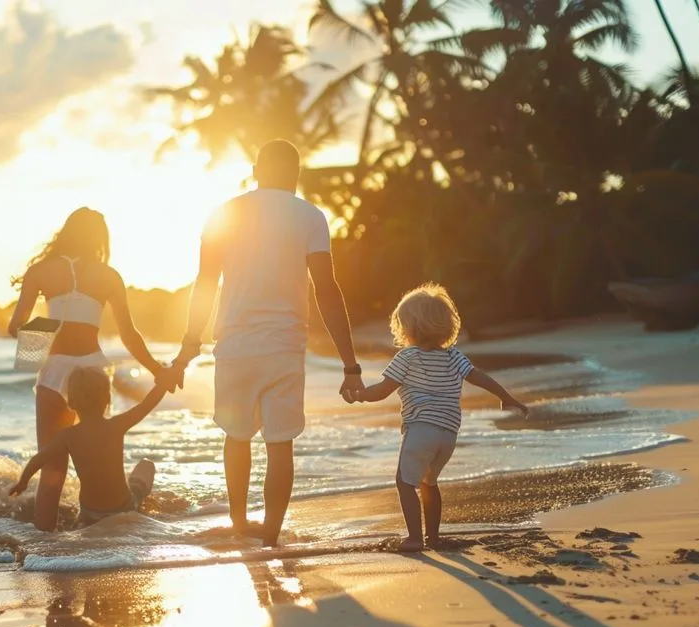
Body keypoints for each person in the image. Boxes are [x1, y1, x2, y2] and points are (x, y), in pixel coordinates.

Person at [170, 139, 365, 548]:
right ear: (294, 173)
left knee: (236, 437)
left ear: (257, 169)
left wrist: (189, 344)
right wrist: (350, 365)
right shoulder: (310, 216)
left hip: (235, 345)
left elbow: (205, 284)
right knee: (280, 443)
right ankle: (271, 533)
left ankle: (241, 526)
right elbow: (327, 290)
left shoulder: (224, 213)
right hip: (284, 345)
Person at [7, 207, 169, 531]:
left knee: (52, 472)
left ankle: (45, 549)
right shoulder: (108, 275)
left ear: (66, 232)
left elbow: (16, 327)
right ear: (99, 239)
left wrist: (49, 335)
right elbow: (128, 334)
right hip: (94, 371)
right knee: (98, 455)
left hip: (54, 372)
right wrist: (156, 369)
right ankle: (105, 518)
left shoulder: (41, 270)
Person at [352, 283, 529, 551]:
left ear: (408, 326)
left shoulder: (408, 356)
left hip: (421, 427)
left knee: (405, 482)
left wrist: (360, 395)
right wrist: (505, 396)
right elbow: (478, 375)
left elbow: (383, 390)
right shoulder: (453, 356)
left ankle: (414, 538)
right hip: (448, 432)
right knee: (429, 482)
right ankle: (432, 537)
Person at [8, 367, 164, 526]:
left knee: (81, 527)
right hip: (123, 507)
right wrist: (164, 384)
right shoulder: (117, 425)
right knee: (146, 465)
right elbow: (147, 404)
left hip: (90, 513)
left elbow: (39, 459)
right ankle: (137, 497)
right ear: (107, 398)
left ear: (71, 402)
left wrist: (23, 482)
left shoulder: (67, 436)